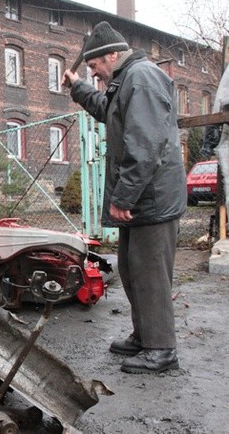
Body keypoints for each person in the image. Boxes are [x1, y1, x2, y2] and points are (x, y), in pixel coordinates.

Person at [62, 21, 186, 374]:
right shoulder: (127, 79)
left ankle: (162, 349)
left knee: (150, 273)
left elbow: (145, 146)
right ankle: (145, 335)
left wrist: (124, 197)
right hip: (143, 197)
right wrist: (79, 88)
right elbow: (106, 108)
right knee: (131, 269)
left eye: (95, 67)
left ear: (112, 55)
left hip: (152, 198)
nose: (96, 74)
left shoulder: (142, 78)